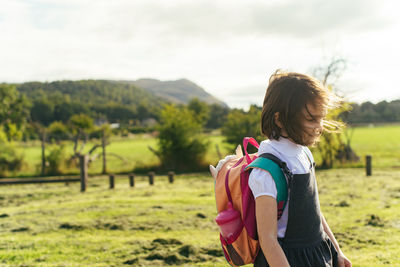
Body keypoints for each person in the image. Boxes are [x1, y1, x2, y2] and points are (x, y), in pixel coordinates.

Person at [249, 70, 352, 267]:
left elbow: (315, 212)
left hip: (318, 254)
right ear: (280, 119)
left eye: (320, 118)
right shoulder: (266, 170)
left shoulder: (304, 154)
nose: (319, 127)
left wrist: (337, 251)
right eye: (311, 119)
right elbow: (268, 239)